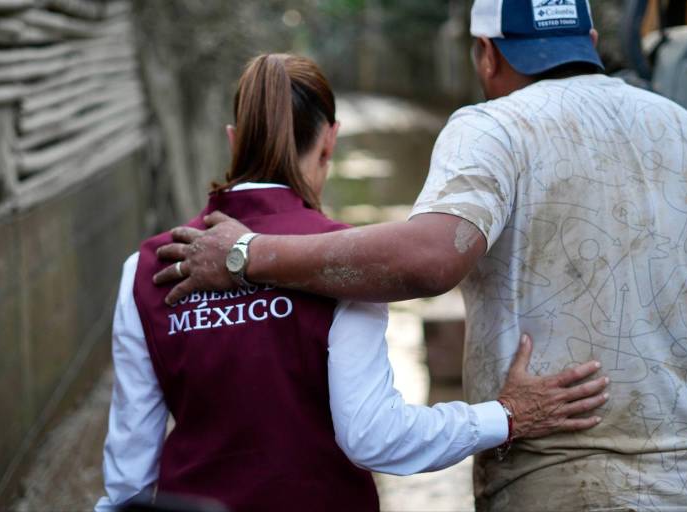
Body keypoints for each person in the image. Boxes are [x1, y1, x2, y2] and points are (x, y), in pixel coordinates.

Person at [154, 1, 687, 510]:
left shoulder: (495, 128)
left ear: (485, 54)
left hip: (564, 482)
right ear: (590, 43)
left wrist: (247, 254)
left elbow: (430, 260)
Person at [96, 53, 609, 512]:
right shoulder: (349, 261)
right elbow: (374, 438)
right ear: (330, 140)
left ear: (234, 140)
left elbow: (126, 480)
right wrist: (509, 414)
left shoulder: (146, 267)